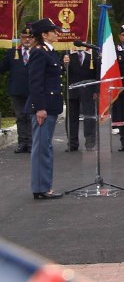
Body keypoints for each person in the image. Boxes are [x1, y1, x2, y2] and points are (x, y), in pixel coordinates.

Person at [26, 18, 64, 199]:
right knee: (42, 148)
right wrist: (39, 108)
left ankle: (44, 186)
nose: (57, 33)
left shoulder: (50, 52)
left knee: (45, 147)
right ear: (44, 34)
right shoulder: (39, 53)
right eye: (53, 31)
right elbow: (35, 83)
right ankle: (41, 188)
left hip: (51, 106)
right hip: (43, 107)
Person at [0, 25, 33, 154]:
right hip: (17, 89)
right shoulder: (12, 52)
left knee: (31, 116)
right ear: (20, 38)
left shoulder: (37, 52)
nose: (27, 40)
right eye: (24, 37)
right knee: (20, 116)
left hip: (33, 90)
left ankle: (31, 143)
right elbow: (3, 68)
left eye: (29, 37)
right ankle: (22, 143)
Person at [63, 46, 99, 152]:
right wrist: (64, 64)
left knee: (89, 117)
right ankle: (72, 143)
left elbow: (98, 72)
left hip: (89, 89)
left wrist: (97, 90)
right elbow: (61, 69)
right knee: (72, 118)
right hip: (72, 89)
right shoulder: (67, 51)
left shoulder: (92, 51)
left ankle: (90, 142)